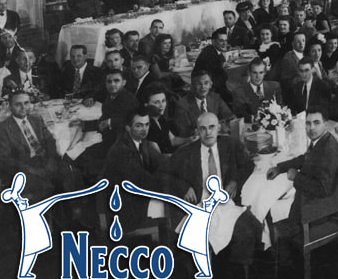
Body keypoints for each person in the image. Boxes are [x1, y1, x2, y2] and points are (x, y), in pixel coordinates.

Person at [164, 112, 260, 268]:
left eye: (211, 127)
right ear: (197, 131)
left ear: (219, 128)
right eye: (203, 129)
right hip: (200, 205)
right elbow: (165, 175)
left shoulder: (230, 145)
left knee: (250, 228)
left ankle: (235, 273)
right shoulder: (186, 152)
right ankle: (218, 271)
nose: (208, 132)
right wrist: (183, 187)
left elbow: (248, 164)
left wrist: (235, 181)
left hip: (226, 204)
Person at [0, 90, 74, 200]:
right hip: (23, 167)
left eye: (26, 103)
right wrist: (33, 170)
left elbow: (50, 141)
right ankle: (50, 212)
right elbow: (6, 160)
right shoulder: (1, 130)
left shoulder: (36, 119)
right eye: (18, 104)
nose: (23, 107)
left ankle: (69, 210)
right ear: (10, 106)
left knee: (70, 173)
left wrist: (51, 161)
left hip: (44, 159)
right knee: (44, 187)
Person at [102, 106, 168, 230]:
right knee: (173, 206)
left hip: (135, 198)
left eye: (147, 124)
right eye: (139, 125)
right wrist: (177, 186)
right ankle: (169, 243)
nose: (144, 129)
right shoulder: (122, 151)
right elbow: (144, 181)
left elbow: (158, 164)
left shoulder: (138, 141)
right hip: (125, 210)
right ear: (128, 127)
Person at [173, 70, 235, 138]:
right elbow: (184, 133)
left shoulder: (215, 98)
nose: (203, 87)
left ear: (211, 84)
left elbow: (230, 118)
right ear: (192, 85)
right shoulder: (182, 105)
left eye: (206, 83)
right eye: (199, 84)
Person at [191, 29, 231, 102]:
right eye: (221, 41)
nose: (224, 43)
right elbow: (217, 80)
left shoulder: (213, 50)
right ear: (213, 41)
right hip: (207, 90)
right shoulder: (209, 55)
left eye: (226, 41)